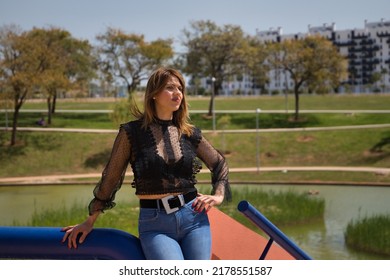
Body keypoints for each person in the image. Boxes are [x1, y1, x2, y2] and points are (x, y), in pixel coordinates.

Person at [61, 67, 231, 260]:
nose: (177, 93)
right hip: (156, 225)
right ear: (153, 94)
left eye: (180, 88)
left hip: (194, 219)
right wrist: (90, 221)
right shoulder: (131, 133)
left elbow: (219, 163)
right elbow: (111, 177)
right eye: (170, 88)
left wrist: (218, 196)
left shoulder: (188, 133)